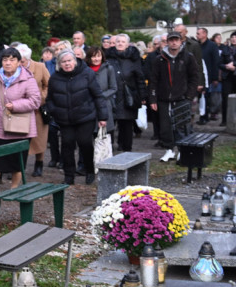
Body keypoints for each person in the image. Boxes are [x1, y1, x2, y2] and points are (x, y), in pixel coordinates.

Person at [46, 51, 108, 185]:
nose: (67, 64)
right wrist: (54, 111)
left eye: (69, 61)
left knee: (85, 143)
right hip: (64, 119)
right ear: (59, 64)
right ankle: (69, 175)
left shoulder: (87, 73)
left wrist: (102, 116)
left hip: (85, 116)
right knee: (67, 144)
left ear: (75, 61)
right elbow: (49, 99)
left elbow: (98, 95)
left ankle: (89, 170)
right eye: (64, 62)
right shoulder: (55, 78)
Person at [0, 47, 41, 193]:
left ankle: (14, 189)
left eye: (12, 60)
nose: (8, 63)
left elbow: (35, 101)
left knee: (17, 162)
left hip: (20, 127)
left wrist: (15, 105)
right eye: (5, 59)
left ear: (19, 63)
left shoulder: (27, 79)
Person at [149, 32, 203, 162]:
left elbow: (194, 77)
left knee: (182, 125)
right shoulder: (160, 59)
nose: (174, 42)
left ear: (180, 41)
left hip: (182, 97)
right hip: (163, 99)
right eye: (171, 40)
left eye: (176, 40)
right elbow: (153, 80)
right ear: (167, 42)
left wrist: (189, 95)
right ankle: (169, 150)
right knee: (166, 126)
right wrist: (153, 98)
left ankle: (182, 151)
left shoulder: (188, 57)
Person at [15, 44, 50, 177]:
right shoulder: (14, 69)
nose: (20, 64)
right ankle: (19, 166)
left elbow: (48, 84)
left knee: (39, 138)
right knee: (19, 137)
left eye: (22, 61)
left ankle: (39, 163)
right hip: (20, 108)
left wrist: (41, 98)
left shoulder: (40, 67)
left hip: (37, 109)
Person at [111, 40, 147, 153]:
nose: (120, 43)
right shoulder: (109, 58)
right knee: (111, 124)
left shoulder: (133, 59)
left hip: (129, 96)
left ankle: (127, 150)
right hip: (113, 96)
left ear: (127, 44)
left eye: (122, 42)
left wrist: (142, 96)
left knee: (127, 125)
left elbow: (140, 78)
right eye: (118, 42)